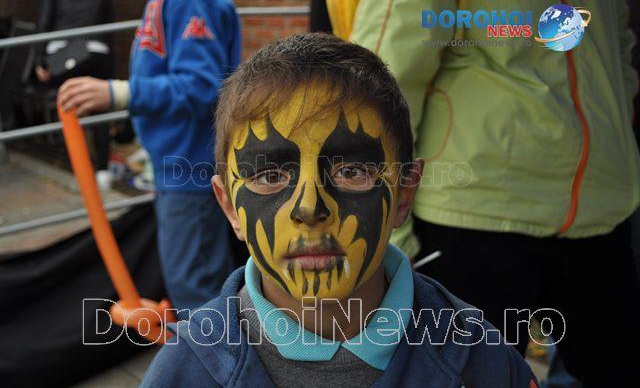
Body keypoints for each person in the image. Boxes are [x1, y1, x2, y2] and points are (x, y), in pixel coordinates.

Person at [139, 33, 538, 388]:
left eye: (352, 172)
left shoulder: (483, 361)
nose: (309, 207)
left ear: (403, 194)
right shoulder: (183, 372)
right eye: (270, 175)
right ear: (229, 206)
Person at [348, 0, 640, 387]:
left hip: (600, 208)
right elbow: (384, 70)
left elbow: (617, 46)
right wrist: (385, 228)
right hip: (473, 214)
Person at [57, 0, 241, 310]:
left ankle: (212, 347)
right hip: (181, 160)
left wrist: (119, 94)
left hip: (189, 164)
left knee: (195, 287)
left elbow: (202, 86)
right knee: (195, 280)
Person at [35, 0, 113, 188]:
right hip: (98, 52)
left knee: (68, 106)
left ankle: (79, 168)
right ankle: (103, 171)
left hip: (64, 55)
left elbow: (44, 23)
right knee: (99, 111)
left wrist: (40, 61)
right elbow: (109, 28)